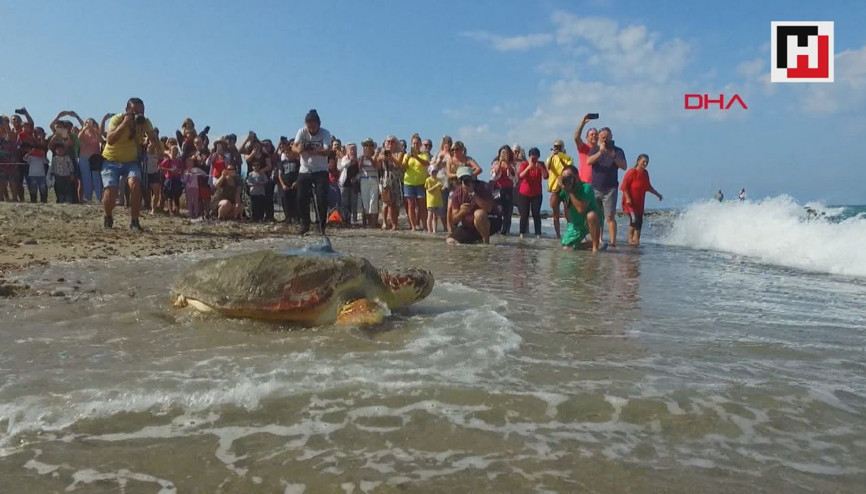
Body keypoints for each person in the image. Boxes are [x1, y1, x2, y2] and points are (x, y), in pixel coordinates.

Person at [100, 98, 158, 231]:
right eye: (135, 112)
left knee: (135, 185)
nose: (139, 115)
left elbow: (153, 136)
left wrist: (157, 148)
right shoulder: (117, 119)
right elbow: (110, 140)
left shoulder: (144, 122)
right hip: (111, 160)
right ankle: (108, 216)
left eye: (141, 112)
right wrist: (125, 124)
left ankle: (134, 221)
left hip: (131, 161)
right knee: (111, 192)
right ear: (127, 110)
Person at [291, 109, 332, 235]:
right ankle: (305, 223)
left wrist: (315, 151)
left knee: (321, 198)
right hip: (305, 169)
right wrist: (300, 150)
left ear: (318, 124)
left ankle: (321, 225)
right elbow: (294, 146)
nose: (312, 128)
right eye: (309, 125)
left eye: (314, 125)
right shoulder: (301, 132)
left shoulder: (325, 133)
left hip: (320, 169)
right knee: (301, 198)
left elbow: (327, 150)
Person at [587, 127, 627, 247]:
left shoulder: (618, 151)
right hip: (595, 188)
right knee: (596, 216)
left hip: (610, 188)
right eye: (603, 137)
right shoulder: (594, 149)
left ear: (611, 137)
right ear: (599, 137)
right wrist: (601, 152)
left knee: (609, 216)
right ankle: (598, 240)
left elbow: (624, 166)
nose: (605, 139)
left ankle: (613, 242)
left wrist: (613, 155)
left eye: (607, 137)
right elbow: (589, 161)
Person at [446, 166, 501, 245]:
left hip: (490, 221)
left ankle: (486, 242)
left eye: (468, 178)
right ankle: (473, 244)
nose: (466, 181)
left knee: (479, 214)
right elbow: (454, 219)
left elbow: (489, 208)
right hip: (470, 227)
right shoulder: (457, 194)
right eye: (462, 179)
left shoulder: (483, 187)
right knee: (450, 241)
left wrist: (473, 194)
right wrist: (462, 212)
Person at [620, 154, 662, 246]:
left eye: (647, 162)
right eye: (643, 161)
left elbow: (648, 187)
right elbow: (624, 186)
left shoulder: (645, 173)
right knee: (634, 220)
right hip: (630, 203)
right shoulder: (631, 172)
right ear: (638, 161)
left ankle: (636, 241)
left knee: (639, 221)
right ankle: (630, 240)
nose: (645, 163)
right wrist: (627, 198)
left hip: (639, 203)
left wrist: (657, 194)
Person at [558, 166, 602, 252]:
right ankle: (590, 243)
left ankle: (595, 248)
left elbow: (581, 209)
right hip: (576, 224)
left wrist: (570, 192)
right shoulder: (565, 190)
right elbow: (553, 203)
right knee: (566, 248)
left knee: (591, 215)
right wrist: (556, 189)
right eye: (564, 177)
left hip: (590, 220)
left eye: (569, 177)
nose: (567, 179)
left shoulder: (586, 188)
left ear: (577, 176)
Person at [445, 141, 482, 236]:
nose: (454, 151)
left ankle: (473, 228)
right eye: (452, 150)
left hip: (467, 187)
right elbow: (448, 174)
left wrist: (469, 175)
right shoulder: (450, 160)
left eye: (456, 149)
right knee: (449, 208)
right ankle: (450, 229)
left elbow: (479, 169)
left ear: (462, 150)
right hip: (454, 186)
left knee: (468, 207)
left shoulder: (468, 160)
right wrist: (459, 175)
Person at [516, 147, 548, 238]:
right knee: (524, 214)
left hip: (536, 194)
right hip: (524, 193)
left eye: (535, 157)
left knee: (536, 214)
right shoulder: (525, 164)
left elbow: (546, 176)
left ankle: (538, 234)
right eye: (532, 157)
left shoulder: (541, 164)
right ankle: (522, 233)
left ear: (538, 157)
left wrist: (541, 168)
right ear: (529, 157)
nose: (533, 159)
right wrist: (529, 167)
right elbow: (520, 176)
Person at [545, 139, 574, 239]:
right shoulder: (551, 158)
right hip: (555, 188)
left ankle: (570, 232)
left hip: (565, 188)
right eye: (555, 146)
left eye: (559, 146)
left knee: (567, 213)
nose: (557, 148)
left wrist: (561, 157)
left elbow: (569, 168)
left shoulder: (568, 158)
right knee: (555, 212)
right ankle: (558, 235)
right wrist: (552, 155)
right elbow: (547, 167)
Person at [401, 134, 430, 231]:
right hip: (408, 183)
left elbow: (426, 163)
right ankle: (413, 226)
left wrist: (416, 157)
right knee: (411, 205)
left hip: (420, 183)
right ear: (411, 144)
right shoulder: (406, 155)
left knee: (422, 206)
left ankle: (425, 226)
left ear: (420, 144)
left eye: (417, 143)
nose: (415, 145)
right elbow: (404, 167)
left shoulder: (424, 154)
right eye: (413, 143)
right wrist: (408, 159)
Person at [378, 135, 404, 230]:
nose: (390, 143)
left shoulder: (399, 153)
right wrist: (381, 158)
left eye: (392, 141)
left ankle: (394, 223)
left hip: (396, 180)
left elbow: (399, 163)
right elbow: (377, 165)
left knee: (395, 204)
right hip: (386, 179)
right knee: (385, 202)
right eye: (388, 141)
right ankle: (384, 222)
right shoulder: (382, 152)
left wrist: (390, 157)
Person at [490, 145, 516, 235]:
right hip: (498, 188)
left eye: (506, 153)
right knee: (498, 209)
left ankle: (505, 231)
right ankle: (497, 229)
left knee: (508, 211)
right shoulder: (495, 163)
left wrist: (507, 164)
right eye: (502, 153)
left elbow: (513, 175)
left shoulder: (512, 163)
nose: (504, 154)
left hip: (508, 189)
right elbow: (494, 175)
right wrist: (500, 162)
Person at [358, 138, 380, 228]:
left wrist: (370, 158)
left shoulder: (376, 156)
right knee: (365, 201)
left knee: (373, 200)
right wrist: (363, 158)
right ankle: (368, 222)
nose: (368, 147)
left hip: (373, 179)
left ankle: (373, 222)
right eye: (366, 145)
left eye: (370, 145)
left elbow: (376, 166)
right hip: (364, 179)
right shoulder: (361, 157)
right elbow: (359, 168)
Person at [277, 138, 300, 224]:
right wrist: (283, 185)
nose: (287, 154)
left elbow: (300, 173)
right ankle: (288, 217)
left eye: (288, 152)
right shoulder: (281, 163)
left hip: (294, 184)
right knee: (285, 201)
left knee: (295, 200)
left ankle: (296, 217)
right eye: (285, 153)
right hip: (285, 184)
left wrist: (297, 181)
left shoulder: (297, 162)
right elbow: (280, 175)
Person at [338, 143, 360, 226]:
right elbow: (342, 166)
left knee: (353, 203)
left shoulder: (358, 160)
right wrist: (350, 161)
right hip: (344, 184)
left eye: (354, 149)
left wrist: (356, 178)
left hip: (353, 185)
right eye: (351, 149)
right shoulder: (344, 158)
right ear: (347, 151)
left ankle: (354, 219)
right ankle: (346, 219)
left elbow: (360, 172)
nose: (353, 151)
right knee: (345, 203)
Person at [158, 146, 184, 216]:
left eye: (176, 151)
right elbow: (160, 167)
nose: (174, 153)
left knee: (176, 196)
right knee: (169, 196)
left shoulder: (179, 161)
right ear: (170, 152)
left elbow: (182, 170)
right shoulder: (168, 160)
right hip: (169, 180)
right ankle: (171, 211)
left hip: (177, 180)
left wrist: (178, 171)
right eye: (173, 151)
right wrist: (169, 170)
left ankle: (177, 211)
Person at [574, 114, 598, 184]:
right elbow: (576, 137)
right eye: (591, 134)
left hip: (598, 185)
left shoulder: (601, 150)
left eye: (596, 134)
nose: (594, 136)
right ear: (586, 137)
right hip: (584, 182)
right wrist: (582, 123)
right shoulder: (583, 148)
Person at [425, 165, 444, 233]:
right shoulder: (428, 180)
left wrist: (442, 188)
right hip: (431, 201)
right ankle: (429, 230)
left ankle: (434, 230)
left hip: (437, 200)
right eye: (433, 172)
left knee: (435, 216)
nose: (434, 173)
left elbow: (440, 189)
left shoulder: (439, 180)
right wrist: (436, 186)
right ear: (430, 172)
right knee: (430, 216)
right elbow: (429, 190)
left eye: (435, 171)